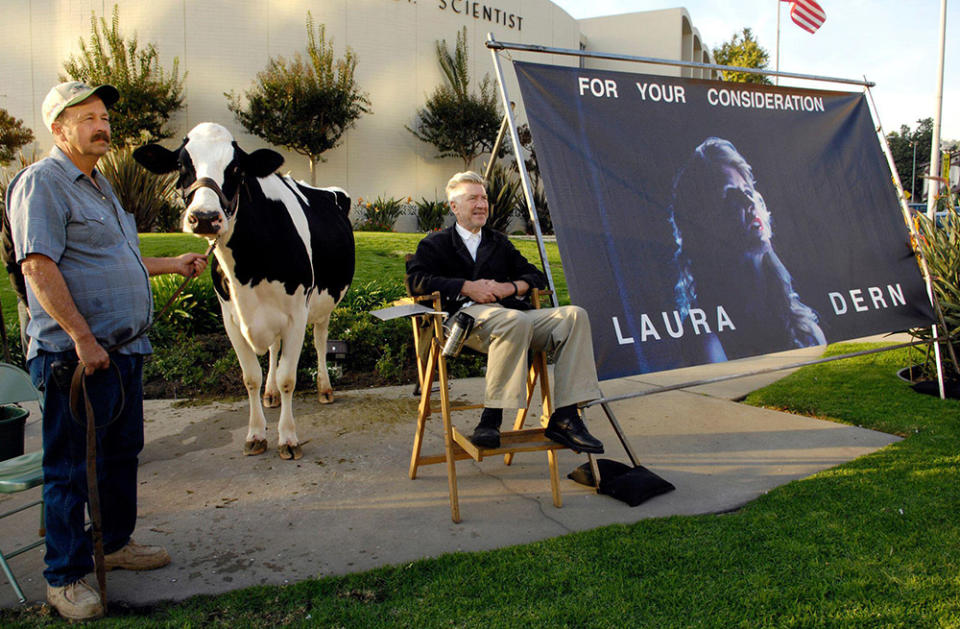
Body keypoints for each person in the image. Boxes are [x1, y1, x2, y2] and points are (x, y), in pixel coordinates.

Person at [6, 81, 207, 621]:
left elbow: (115, 257)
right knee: (71, 468)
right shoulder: (43, 183)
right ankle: (65, 576)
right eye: (88, 117)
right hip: (75, 358)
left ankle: (113, 544)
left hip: (122, 350)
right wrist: (83, 338)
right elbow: (37, 268)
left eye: (104, 117)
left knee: (120, 455)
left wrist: (171, 264)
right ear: (58, 128)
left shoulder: (100, 186)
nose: (102, 125)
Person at [406, 171, 604, 453]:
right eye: (473, 198)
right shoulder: (435, 244)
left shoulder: (498, 242)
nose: (482, 204)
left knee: (574, 316)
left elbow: (535, 276)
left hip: (511, 317)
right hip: (465, 324)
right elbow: (416, 282)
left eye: (484, 198)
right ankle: (491, 417)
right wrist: (467, 287)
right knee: (514, 320)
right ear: (454, 207)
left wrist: (508, 288)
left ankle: (567, 416)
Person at [668, 137, 826, 361]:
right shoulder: (706, 339)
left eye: (747, 190)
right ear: (703, 223)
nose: (749, 201)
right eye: (730, 195)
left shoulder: (802, 323)